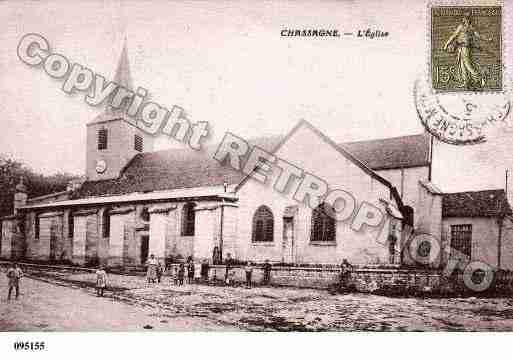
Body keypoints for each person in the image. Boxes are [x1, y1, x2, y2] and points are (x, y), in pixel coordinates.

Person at [443, 15, 493, 90]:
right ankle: (466, 82)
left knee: (467, 65)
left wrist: (487, 39)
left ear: (468, 20)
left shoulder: (471, 28)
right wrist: (447, 44)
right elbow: (454, 35)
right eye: (465, 19)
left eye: (466, 19)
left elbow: (479, 36)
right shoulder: (462, 27)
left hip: (466, 48)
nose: (465, 20)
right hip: (461, 48)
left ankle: (479, 78)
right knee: (462, 65)